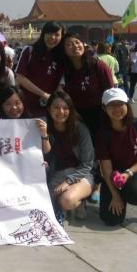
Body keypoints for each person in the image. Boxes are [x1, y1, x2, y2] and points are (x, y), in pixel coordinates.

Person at [95, 88, 137, 226]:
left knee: (134, 191)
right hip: (114, 175)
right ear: (104, 108)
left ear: (127, 105)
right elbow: (106, 168)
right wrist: (115, 195)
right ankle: (122, 196)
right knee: (111, 219)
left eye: (120, 104)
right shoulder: (102, 133)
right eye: (112, 105)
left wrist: (128, 173)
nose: (117, 109)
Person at [45, 91, 94, 221]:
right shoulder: (44, 128)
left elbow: (87, 165)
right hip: (57, 174)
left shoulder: (81, 130)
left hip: (81, 174)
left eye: (65, 108)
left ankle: (79, 201)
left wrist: (68, 181)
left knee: (66, 200)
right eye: (56, 107)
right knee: (44, 204)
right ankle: (65, 203)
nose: (61, 111)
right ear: (49, 109)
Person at [61, 32, 113, 140]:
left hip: (98, 115)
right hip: (74, 116)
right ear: (64, 49)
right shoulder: (64, 70)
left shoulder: (98, 66)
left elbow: (110, 92)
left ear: (83, 44)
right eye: (69, 44)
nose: (75, 46)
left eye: (77, 42)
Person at [15, 21, 65, 117]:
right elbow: (20, 77)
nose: (53, 37)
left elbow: (60, 83)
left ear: (62, 37)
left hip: (48, 108)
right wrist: (44, 94)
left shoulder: (61, 57)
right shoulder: (29, 51)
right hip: (25, 106)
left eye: (57, 34)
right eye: (49, 33)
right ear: (43, 34)